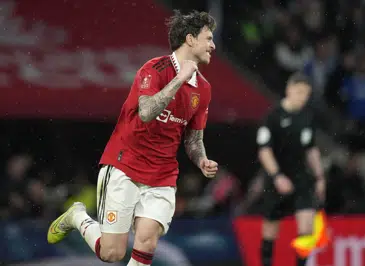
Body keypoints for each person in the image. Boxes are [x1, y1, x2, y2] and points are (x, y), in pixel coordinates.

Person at [47, 10, 218, 266]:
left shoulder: (203, 89)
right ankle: (77, 216)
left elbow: (193, 140)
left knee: (147, 238)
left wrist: (202, 159)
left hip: (162, 175)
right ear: (190, 39)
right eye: (209, 38)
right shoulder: (154, 69)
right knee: (111, 253)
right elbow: (148, 112)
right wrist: (180, 79)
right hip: (124, 165)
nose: (213, 45)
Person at [256, 72, 326, 266]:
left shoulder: (307, 117)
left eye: (306, 94)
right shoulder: (273, 116)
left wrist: (320, 177)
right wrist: (277, 176)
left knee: (307, 228)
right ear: (289, 89)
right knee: (271, 229)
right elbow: (264, 150)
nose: (303, 97)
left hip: (301, 176)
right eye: (299, 92)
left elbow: (311, 149)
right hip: (277, 177)